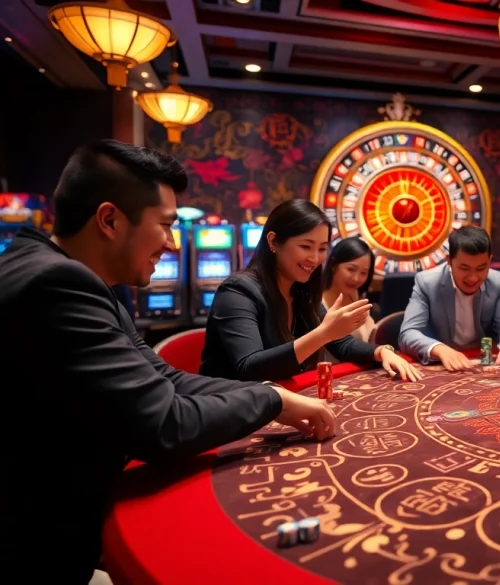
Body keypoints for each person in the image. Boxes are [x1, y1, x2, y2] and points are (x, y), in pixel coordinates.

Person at [0, 140, 335, 584]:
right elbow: (163, 423)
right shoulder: (58, 284)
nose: (173, 244)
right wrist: (271, 403)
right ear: (109, 220)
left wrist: (272, 395)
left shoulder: (74, 275)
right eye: (164, 225)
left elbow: (163, 376)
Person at [201, 199, 421, 382]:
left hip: (279, 403)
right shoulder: (237, 292)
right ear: (274, 241)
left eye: (322, 249)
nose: (315, 259)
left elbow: (340, 343)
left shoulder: (302, 291)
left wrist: (381, 351)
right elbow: (250, 368)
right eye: (305, 247)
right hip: (232, 412)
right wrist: (323, 333)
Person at [399, 226, 500, 371]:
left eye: (481, 268)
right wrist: (440, 349)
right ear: (449, 261)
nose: (473, 278)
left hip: (483, 365)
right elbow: (408, 333)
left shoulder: (496, 281)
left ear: (490, 261)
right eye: (464, 268)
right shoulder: (427, 283)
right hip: (442, 367)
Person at [323, 236, 376, 343]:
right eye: (351, 269)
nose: (356, 279)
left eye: (363, 273)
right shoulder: (317, 302)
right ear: (333, 265)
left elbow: (371, 336)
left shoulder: (355, 295)